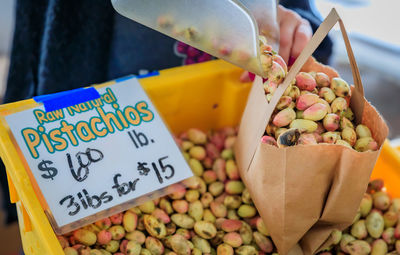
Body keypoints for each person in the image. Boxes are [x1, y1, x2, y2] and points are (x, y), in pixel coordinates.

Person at [0, 0, 332, 224]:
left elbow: (302, 17)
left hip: (220, 106)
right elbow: (37, 35)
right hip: (91, 121)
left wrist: (294, 25)